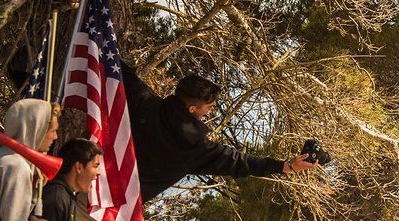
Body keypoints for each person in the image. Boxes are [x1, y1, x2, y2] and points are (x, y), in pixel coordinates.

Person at [122, 70, 321, 200]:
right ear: (191, 109)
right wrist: (287, 166)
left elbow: (114, 67)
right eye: (209, 107)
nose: (210, 110)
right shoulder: (195, 150)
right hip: (116, 200)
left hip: (94, 170)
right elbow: (240, 162)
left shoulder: (143, 101)